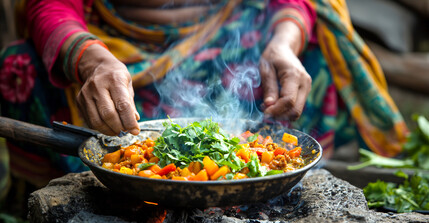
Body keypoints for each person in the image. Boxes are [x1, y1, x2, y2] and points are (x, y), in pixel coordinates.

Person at [0, 0, 408, 191]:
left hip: (228, 32)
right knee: (17, 63)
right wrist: (91, 60)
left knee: (316, 50)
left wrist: (283, 44)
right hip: (116, 41)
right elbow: (48, 4)